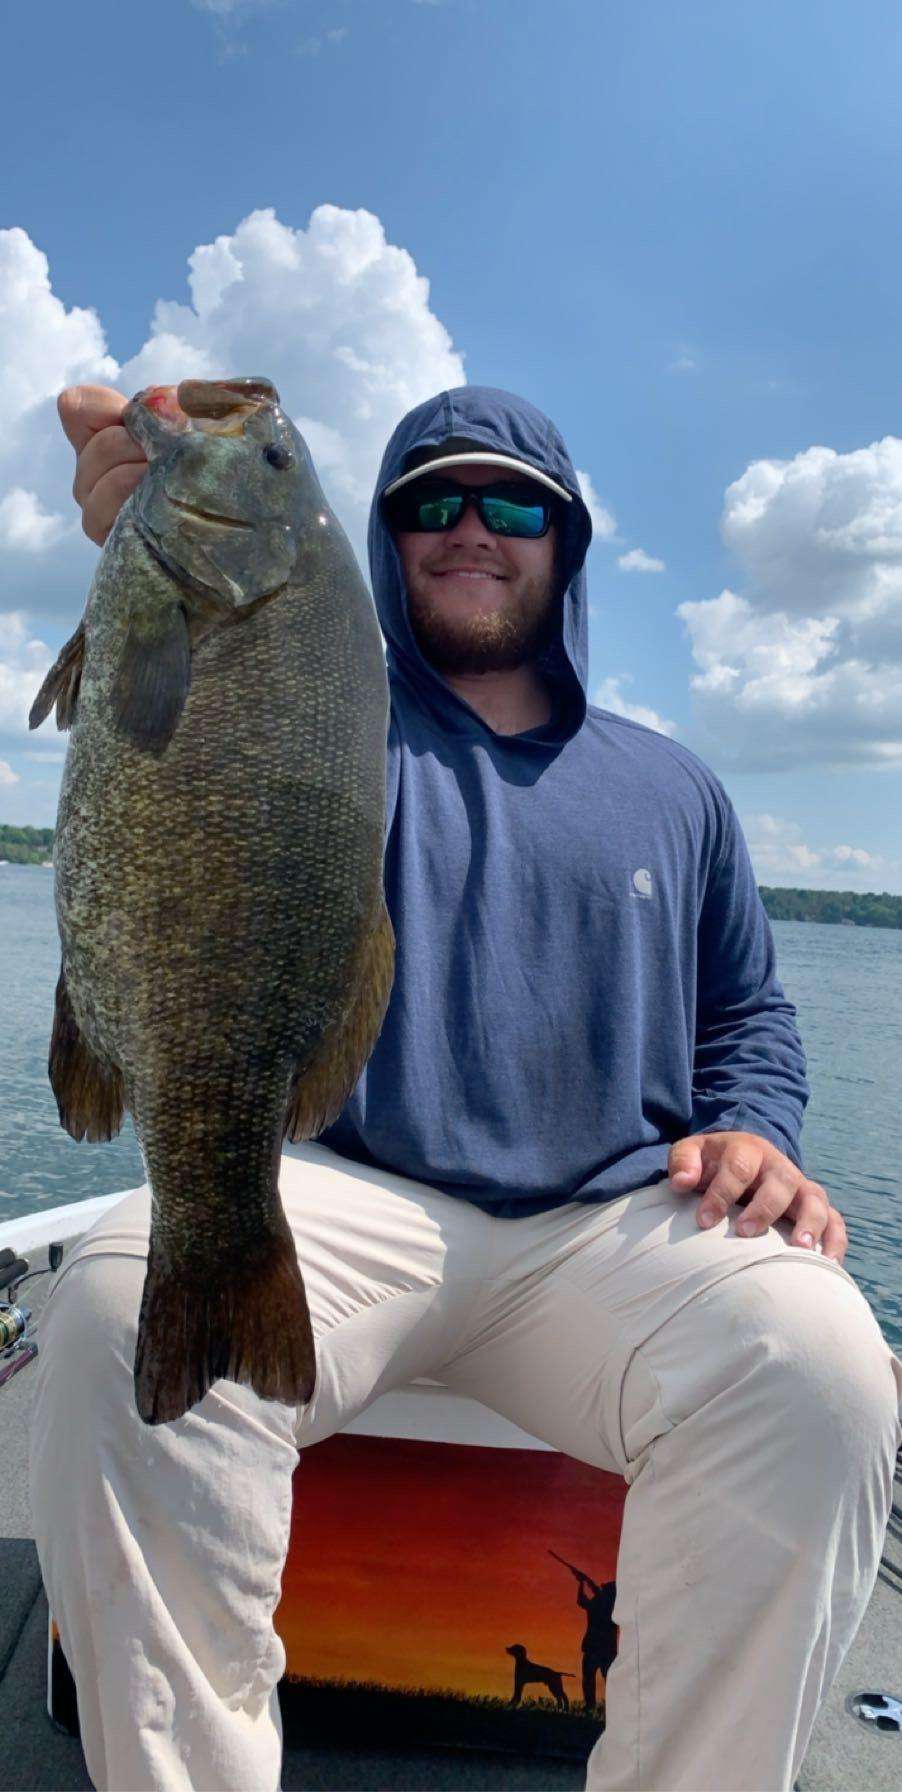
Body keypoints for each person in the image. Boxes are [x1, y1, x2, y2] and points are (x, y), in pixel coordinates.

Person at [29, 381, 901, 1792]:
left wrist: (752, 1123)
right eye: (429, 503)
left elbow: (747, 1011)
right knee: (114, 1311)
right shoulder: (312, 707)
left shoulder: (675, 786)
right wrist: (140, 540)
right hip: (341, 1190)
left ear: (566, 542)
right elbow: (173, 725)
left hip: (610, 1227)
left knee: (818, 1371)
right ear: (372, 543)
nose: (469, 530)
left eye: (511, 505)